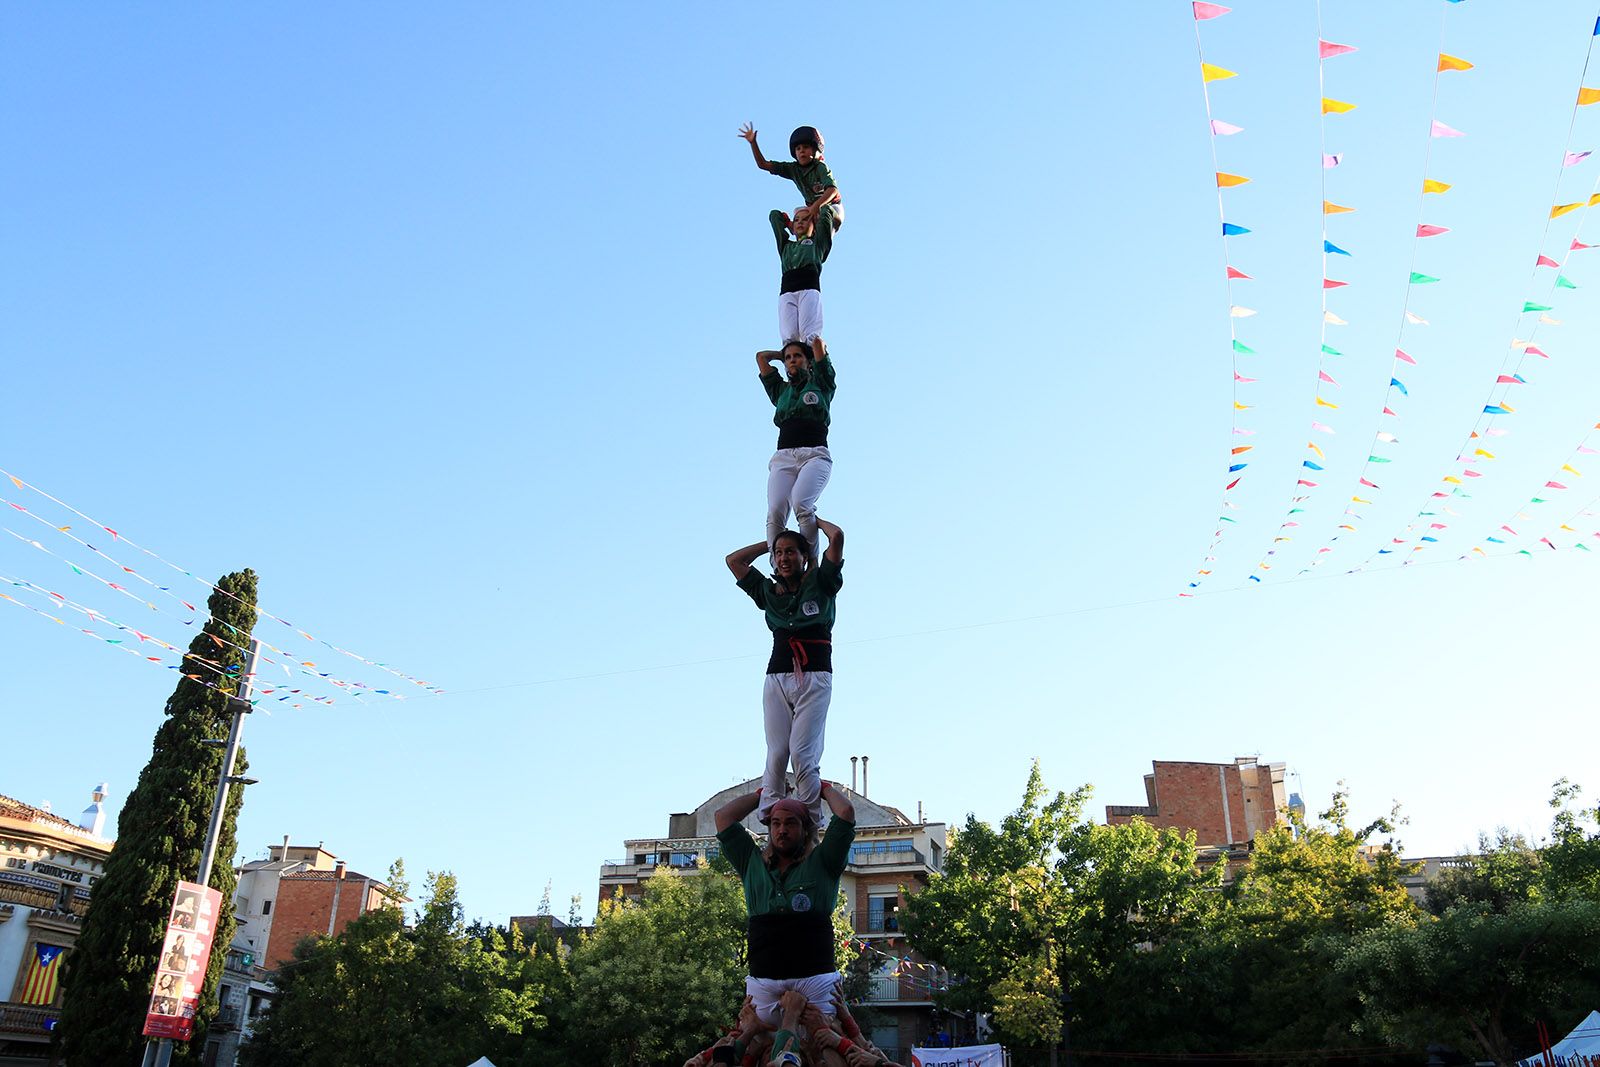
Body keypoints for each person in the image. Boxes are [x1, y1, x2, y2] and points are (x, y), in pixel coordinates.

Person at [726, 518, 843, 824]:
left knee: (802, 754)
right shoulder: (767, 591)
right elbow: (734, 560)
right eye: (778, 553)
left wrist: (812, 521)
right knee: (777, 753)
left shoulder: (822, 583)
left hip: (815, 675)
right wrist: (770, 540)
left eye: (791, 551)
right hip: (777, 675)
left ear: (805, 557)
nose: (784, 557)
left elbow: (838, 537)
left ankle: (809, 820)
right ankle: (769, 815)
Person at [714, 783, 857, 1027]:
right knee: (756, 1044)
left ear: (804, 829)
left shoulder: (824, 861)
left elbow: (845, 813)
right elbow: (723, 817)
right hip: (764, 981)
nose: (782, 830)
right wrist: (763, 794)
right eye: (776, 823)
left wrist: (821, 788)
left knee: (823, 1044)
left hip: (814, 979)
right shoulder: (751, 862)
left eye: (791, 823)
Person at [755, 341, 836, 556]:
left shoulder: (821, 383)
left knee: (802, 503)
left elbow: (818, 344)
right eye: (788, 357)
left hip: (814, 455)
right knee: (775, 512)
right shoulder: (781, 390)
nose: (792, 360)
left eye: (797, 356)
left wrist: (809, 349)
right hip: (784, 457)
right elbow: (761, 357)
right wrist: (782, 354)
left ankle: (811, 562)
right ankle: (777, 565)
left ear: (808, 361)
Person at [739, 123, 842, 233]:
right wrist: (753, 143)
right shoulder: (793, 169)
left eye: (806, 147)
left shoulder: (820, 167)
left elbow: (833, 190)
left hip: (832, 208)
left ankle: (819, 238)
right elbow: (763, 164)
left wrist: (817, 206)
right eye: (798, 148)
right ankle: (794, 229)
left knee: (823, 214)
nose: (802, 150)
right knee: (799, 214)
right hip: (813, 209)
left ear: (815, 150)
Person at [770, 206, 833, 362]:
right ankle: (794, 372)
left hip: (808, 288)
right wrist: (788, 222)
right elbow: (774, 216)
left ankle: (814, 366)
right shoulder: (786, 246)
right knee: (788, 336)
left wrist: (814, 211)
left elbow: (826, 212)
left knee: (809, 334)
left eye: (805, 219)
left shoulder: (817, 244)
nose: (800, 223)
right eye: (797, 220)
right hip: (787, 291)